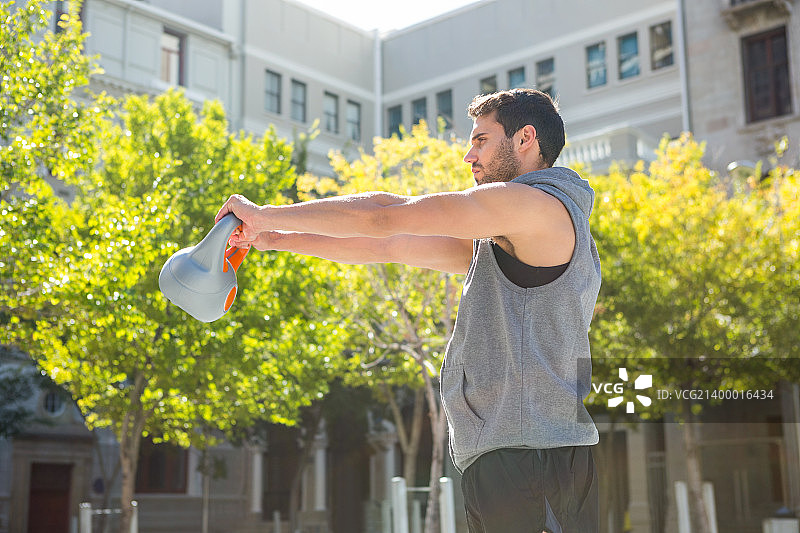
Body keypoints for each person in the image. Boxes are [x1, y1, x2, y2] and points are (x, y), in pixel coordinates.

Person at [216, 88, 601, 533]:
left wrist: (264, 213)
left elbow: (387, 215)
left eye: (481, 139)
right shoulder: (506, 235)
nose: (468, 155)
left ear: (524, 139)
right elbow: (389, 243)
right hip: (510, 455)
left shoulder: (536, 207)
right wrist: (276, 238)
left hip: (535, 458)